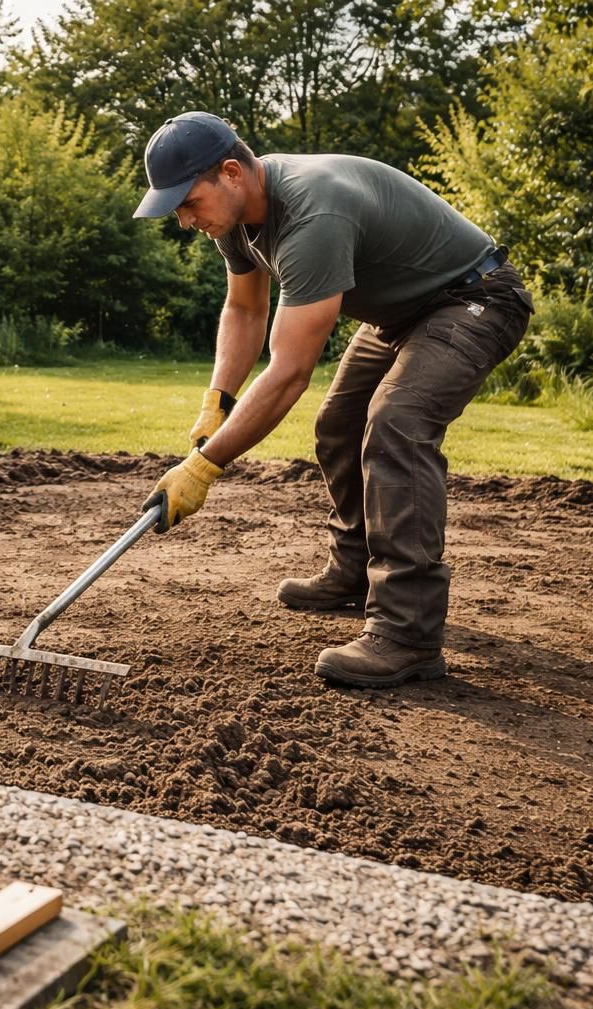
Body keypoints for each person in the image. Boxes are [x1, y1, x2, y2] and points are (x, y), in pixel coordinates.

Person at [134, 111, 533, 689]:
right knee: (338, 425)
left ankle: (407, 634)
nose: (183, 219)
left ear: (230, 173)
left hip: (474, 299)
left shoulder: (312, 214)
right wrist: (216, 402)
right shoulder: (237, 223)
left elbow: (290, 371)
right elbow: (245, 309)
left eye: (188, 201)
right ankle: (355, 571)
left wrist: (202, 467)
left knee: (397, 424)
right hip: (399, 314)